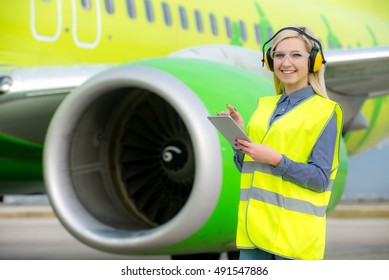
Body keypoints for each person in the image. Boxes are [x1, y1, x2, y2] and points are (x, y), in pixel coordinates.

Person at [218, 26, 343, 260]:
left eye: (296, 55)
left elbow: (319, 180)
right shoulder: (264, 108)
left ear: (313, 62)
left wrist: (275, 159)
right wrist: (239, 138)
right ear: (270, 60)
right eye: (278, 55)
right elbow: (250, 169)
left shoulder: (326, 112)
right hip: (254, 235)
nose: (286, 62)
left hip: (293, 241)